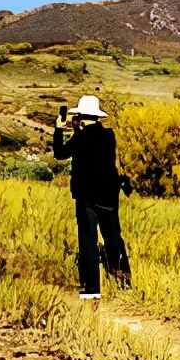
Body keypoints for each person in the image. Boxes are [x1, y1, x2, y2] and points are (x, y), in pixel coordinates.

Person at [53, 95, 131, 301]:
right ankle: (123, 280)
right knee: (113, 238)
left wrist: (59, 130)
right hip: (109, 195)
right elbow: (96, 150)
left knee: (88, 240)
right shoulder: (109, 135)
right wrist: (79, 130)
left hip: (87, 196)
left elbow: (60, 153)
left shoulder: (80, 138)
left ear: (80, 116)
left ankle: (92, 288)